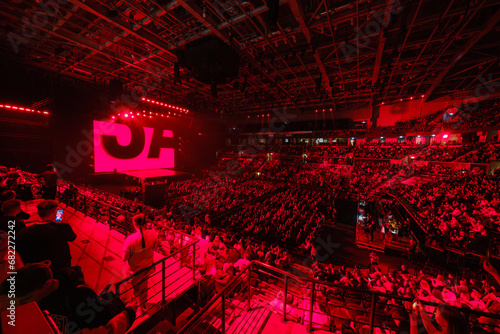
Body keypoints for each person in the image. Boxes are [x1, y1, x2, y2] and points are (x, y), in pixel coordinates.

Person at [17, 200, 77, 272]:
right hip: (60, 266)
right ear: (54, 212)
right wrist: (63, 223)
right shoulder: (62, 228)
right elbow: (72, 237)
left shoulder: (24, 231)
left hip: (36, 269)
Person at [122, 214, 159, 314]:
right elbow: (154, 248)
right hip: (147, 267)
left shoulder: (130, 239)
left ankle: (136, 308)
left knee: (135, 289)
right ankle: (142, 307)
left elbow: (124, 258)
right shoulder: (154, 233)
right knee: (144, 287)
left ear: (135, 224)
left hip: (134, 270)